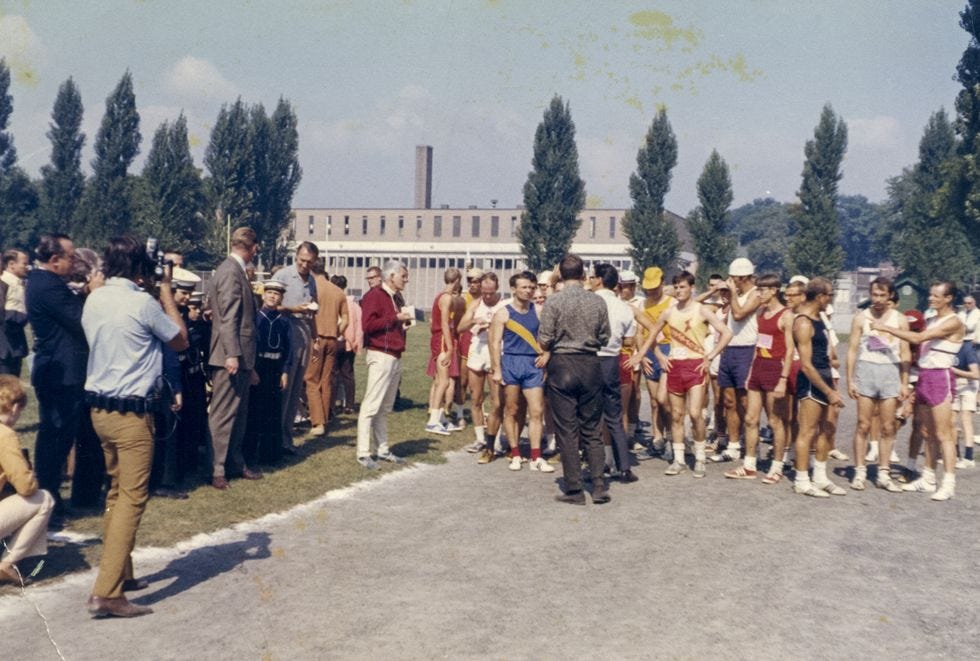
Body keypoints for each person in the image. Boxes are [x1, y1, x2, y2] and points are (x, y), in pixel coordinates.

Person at [82, 235, 187, 617]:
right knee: (132, 498)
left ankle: (120, 572)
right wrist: (166, 291)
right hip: (131, 415)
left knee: (116, 492)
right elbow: (179, 340)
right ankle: (107, 592)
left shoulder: (95, 298)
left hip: (99, 411)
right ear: (141, 268)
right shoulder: (142, 302)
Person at [633, 271, 732, 478]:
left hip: (695, 366)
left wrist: (711, 355)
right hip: (675, 366)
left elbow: (726, 333)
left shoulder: (701, 310)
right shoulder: (669, 312)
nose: (679, 291)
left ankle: (699, 457)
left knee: (695, 413)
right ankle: (678, 460)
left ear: (692, 288)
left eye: (683, 287)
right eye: (676, 287)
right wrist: (651, 355)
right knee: (676, 415)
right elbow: (651, 334)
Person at [873, 281, 966, 501]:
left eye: (936, 296)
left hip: (940, 377)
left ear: (949, 298)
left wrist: (885, 327)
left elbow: (917, 338)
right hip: (925, 375)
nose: (931, 298)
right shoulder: (932, 318)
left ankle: (949, 483)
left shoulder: (953, 321)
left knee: (944, 434)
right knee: (927, 432)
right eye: (931, 295)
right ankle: (928, 477)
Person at [25, 234, 92, 523]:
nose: (74, 261)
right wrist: (92, 293)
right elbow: (80, 320)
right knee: (56, 437)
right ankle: (48, 499)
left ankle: (49, 496)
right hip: (61, 372)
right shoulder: (49, 285)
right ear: (54, 261)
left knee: (58, 436)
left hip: (60, 369)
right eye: (70, 256)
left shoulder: (46, 283)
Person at [539, 254, 611, 505]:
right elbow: (605, 336)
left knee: (566, 429)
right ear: (583, 275)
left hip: (562, 364)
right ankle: (599, 485)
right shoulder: (598, 302)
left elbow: (544, 338)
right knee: (592, 428)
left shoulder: (553, 302)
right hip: (590, 364)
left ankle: (574, 488)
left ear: (560, 273)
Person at [207, 227, 261, 490]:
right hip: (231, 356)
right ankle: (217, 468)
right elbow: (229, 318)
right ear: (253, 247)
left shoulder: (233, 270)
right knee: (224, 415)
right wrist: (232, 355)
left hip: (240, 356)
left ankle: (234, 462)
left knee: (238, 415)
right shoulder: (230, 271)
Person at [726, 274, 794, 484]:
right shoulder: (761, 313)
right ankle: (749, 465)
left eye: (763, 290)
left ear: (774, 290)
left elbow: (790, 350)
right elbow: (759, 344)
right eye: (758, 289)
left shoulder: (786, 315)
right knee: (750, 418)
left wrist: (783, 379)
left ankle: (777, 466)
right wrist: (749, 374)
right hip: (758, 369)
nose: (759, 293)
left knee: (775, 421)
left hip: (776, 370)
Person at [845, 277, 909, 492]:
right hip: (866, 371)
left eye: (882, 295)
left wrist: (904, 383)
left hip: (890, 372)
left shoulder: (900, 319)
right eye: (874, 295)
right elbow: (852, 350)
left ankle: (883, 472)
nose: (878, 299)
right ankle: (860, 470)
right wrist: (850, 380)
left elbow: (906, 352)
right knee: (863, 424)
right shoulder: (860, 317)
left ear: (890, 295)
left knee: (888, 426)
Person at [488, 271, 554, 474]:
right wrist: (497, 369)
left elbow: (549, 337)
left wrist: (547, 354)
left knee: (536, 411)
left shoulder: (539, 310)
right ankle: (515, 453)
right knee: (512, 410)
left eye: (531, 287)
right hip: (511, 362)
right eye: (524, 287)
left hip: (532, 365)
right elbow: (494, 343)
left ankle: (536, 456)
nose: (528, 291)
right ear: (514, 289)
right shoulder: (503, 313)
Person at [791, 277, 847, 498]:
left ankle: (820, 477)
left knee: (826, 429)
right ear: (821, 296)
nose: (830, 299)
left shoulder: (821, 318)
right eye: (829, 295)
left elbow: (829, 354)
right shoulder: (803, 322)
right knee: (807, 431)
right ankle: (802, 480)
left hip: (825, 376)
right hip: (811, 381)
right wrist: (828, 391)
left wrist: (831, 383)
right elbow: (805, 365)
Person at [356, 260, 412, 469]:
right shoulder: (374, 296)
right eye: (403, 276)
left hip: (394, 354)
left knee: (385, 406)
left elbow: (389, 321)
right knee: (371, 405)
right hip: (380, 354)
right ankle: (363, 452)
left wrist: (402, 324)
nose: (406, 280)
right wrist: (394, 318)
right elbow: (368, 325)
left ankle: (382, 448)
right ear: (391, 276)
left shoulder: (395, 297)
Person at [0, 375, 54, 586]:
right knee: (44, 499)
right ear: (14, 407)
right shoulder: (5, 435)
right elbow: (26, 486)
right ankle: (7, 564)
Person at [591, 263, 641, 482]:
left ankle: (598, 463)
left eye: (593, 277)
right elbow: (629, 340)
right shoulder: (624, 307)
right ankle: (624, 467)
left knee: (591, 416)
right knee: (614, 415)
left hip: (590, 360)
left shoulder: (590, 302)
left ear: (599, 280)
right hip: (612, 360)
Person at [712, 258, 762, 463]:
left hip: (747, 349)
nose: (730, 281)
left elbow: (740, 314)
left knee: (745, 400)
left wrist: (731, 294)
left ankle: (751, 443)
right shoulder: (736, 294)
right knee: (729, 400)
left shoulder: (756, 294)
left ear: (743, 277)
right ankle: (733, 445)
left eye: (733, 278)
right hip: (730, 349)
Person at [273, 242, 318, 451]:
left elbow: (313, 309)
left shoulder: (312, 281)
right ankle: (274, 439)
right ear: (296, 256)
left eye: (309, 262)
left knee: (295, 391)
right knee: (284, 389)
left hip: (304, 334)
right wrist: (293, 309)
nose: (304, 265)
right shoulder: (282, 276)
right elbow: (270, 306)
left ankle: (286, 438)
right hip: (286, 333)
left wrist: (315, 337)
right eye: (301, 260)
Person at [458, 272, 508, 462]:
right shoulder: (476, 303)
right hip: (478, 351)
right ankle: (480, 438)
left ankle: (495, 439)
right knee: (476, 397)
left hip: (496, 352)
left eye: (490, 292)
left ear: (496, 289)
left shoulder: (503, 304)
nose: (487, 296)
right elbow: (460, 328)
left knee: (497, 401)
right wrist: (474, 321)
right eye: (484, 292)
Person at [244, 281, 291, 466]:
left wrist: (285, 371)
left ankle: (270, 454)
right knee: (255, 410)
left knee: (273, 410)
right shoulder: (256, 318)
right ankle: (249, 453)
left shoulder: (284, 321)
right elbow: (250, 345)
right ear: (263, 295)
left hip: (275, 366)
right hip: (259, 365)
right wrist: (252, 369)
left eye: (277, 294)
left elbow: (288, 349)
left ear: (281, 298)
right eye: (269, 293)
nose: (272, 296)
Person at [304, 263, 349, 437]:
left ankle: (318, 421)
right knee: (326, 380)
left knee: (311, 380)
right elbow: (345, 319)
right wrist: (337, 332)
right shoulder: (338, 291)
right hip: (332, 339)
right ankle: (326, 416)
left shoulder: (312, 288)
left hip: (316, 338)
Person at [638, 266, 674, 454]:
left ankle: (671, 437)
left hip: (667, 350)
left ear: (662, 283)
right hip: (649, 352)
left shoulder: (672, 303)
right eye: (648, 287)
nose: (651, 291)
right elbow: (638, 332)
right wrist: (642, 356)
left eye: (654, 287)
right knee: (653, 400)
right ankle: (657, 438)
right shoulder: (643, 304)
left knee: (665, 400)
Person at [425, 268, 462, 435]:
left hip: (439, 338)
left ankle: (441, 418)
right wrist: (449, 348)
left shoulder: (441, 296)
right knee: (444, 381)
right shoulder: (446, 298)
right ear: (457, 281)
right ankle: (433, 421)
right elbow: (445, 324)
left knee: (441, 379)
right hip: (441, 339)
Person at [331, 275, 362, 415]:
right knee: (348, 374)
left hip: (336, 340)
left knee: (334, 374)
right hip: (350, 342)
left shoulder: (334, 301)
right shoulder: (355, 304)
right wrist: (356, 342)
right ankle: (349, 405)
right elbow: (360, 325)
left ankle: (331, 404)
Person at [1, 249, 30, 376]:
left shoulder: (18, 283)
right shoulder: (5, 284)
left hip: (13, 346)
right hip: (5, 347)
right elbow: (7, 318)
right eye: (24, 263)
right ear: (12, 264)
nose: (27, 267)